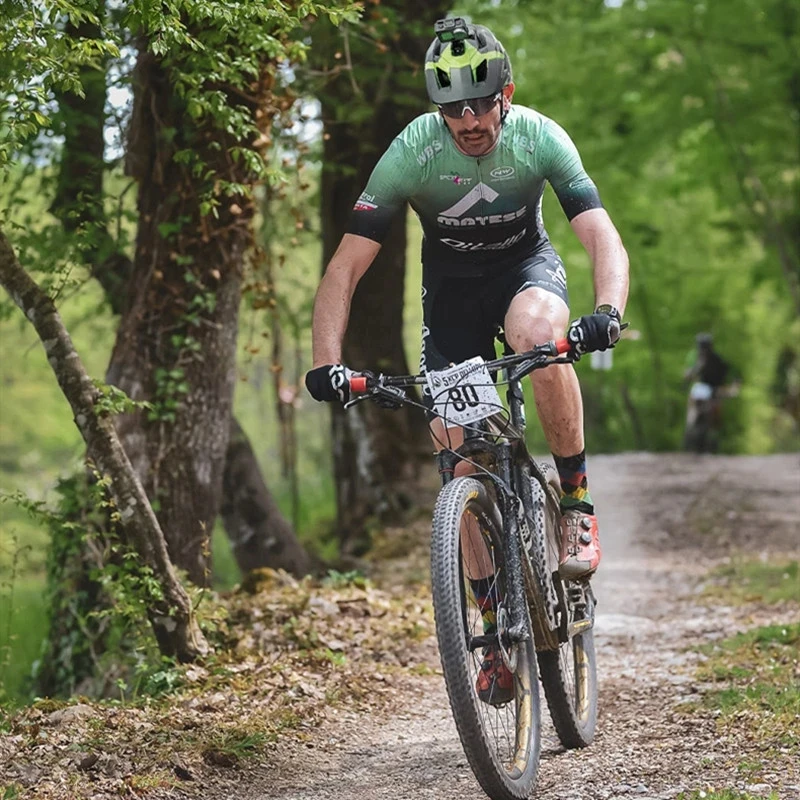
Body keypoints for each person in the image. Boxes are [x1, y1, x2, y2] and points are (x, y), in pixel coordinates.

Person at [305, 18, 629, 703]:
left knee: (542, 338)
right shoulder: (412, 153)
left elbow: (601, 234)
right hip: (450, 296)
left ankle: (576, 501)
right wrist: (325, 363)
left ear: (505, 94)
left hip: (524, 274)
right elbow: (345, 267)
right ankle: (489, 628)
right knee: (455, 448)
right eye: (453, 108)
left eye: (481, 103)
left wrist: (607, 310)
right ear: (438, 110)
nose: (470, 119)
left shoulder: (538, 137)